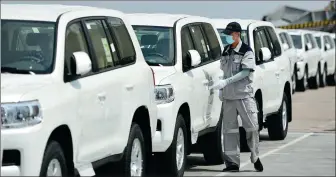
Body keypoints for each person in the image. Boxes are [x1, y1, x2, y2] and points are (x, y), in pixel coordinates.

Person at [209, 22, 263, 172]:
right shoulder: (226, 50)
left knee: (252, 127)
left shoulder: (246, 51)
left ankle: (255, 157)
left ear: (237, 34)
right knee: (229, 131)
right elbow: (224, 71)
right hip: (228, 97)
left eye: (229, 34)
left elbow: (245, 72)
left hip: (243, 95)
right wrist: (222, 87)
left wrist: (226, 81)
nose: (226, 37)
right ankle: (232, 163)